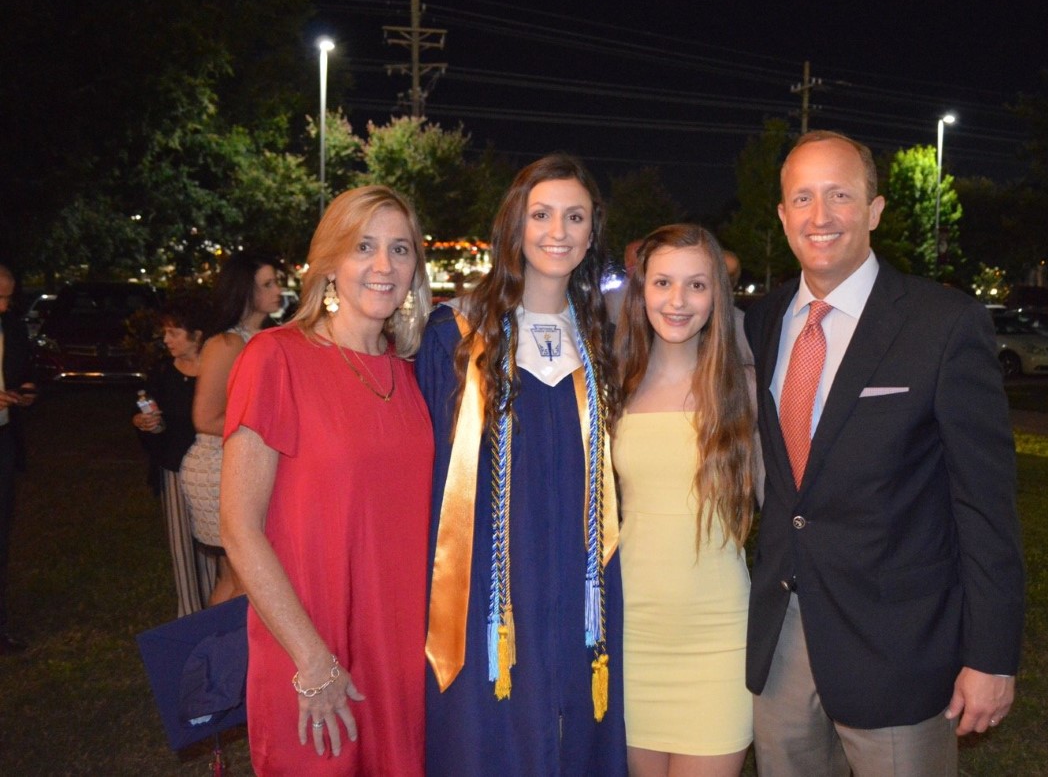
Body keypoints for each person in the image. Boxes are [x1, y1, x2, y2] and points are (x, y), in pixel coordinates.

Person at [744, 130, 1025, 776]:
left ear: (874, 210)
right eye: (803, 198)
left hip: (900, 649)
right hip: (783, 642)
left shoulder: (943, 325)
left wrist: (991, 655)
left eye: (840, 195)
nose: (821, 216)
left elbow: (986, 507)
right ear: (783, 216)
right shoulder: (765, 320)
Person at [415, 153, 626, 776]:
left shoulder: (602, 344)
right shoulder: (456, 335)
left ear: (591, 236)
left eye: (575, 216)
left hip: (584, 572)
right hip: (489, 578)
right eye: (541, 214)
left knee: (580, 721)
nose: (557, 231)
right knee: (497, 730)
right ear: (515, 226)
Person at [220, 185, 433, 774]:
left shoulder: (413, 378)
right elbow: (238, 528)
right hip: (309, 645)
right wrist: (312, 661)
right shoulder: (275, 358)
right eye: (364, 246)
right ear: (331, 262)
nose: (384, 266)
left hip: (400, 654)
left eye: (401, 249)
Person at [611, 224, 756, 777]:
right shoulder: (612, 385)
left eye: (696, 285)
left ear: (717, 293)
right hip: (632, 632)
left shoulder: (742, 388)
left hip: (718, 636)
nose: (677, 301)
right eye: (663, 282)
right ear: (641, 289)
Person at [180, 251, 283, 605]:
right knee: (245, 579)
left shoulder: (268, 336)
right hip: (218, 467)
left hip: (243, 464)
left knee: (237, 576)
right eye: (267, 284)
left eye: (277, 281)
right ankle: (221, 653)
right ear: (245, 292)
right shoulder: (227, 343)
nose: (278, 290)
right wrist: (269, 428)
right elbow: (205, 418)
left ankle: (214, 653)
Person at [132, 293, 218, 616]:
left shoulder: (217, 369)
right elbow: (153, 422)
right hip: (176, 471)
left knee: (213, 552)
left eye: (174, 332)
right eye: (164, 332)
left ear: (196, 335)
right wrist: (146, 423)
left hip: (215, 473)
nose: (166, 339)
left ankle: (217, 615)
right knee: (184, 552)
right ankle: (190, 617)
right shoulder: (163, 374)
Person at [0, 264, 36, 655]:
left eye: (10, 296)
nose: (6, 305)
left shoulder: (12, 326)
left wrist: (26, 390)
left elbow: (23, 372)